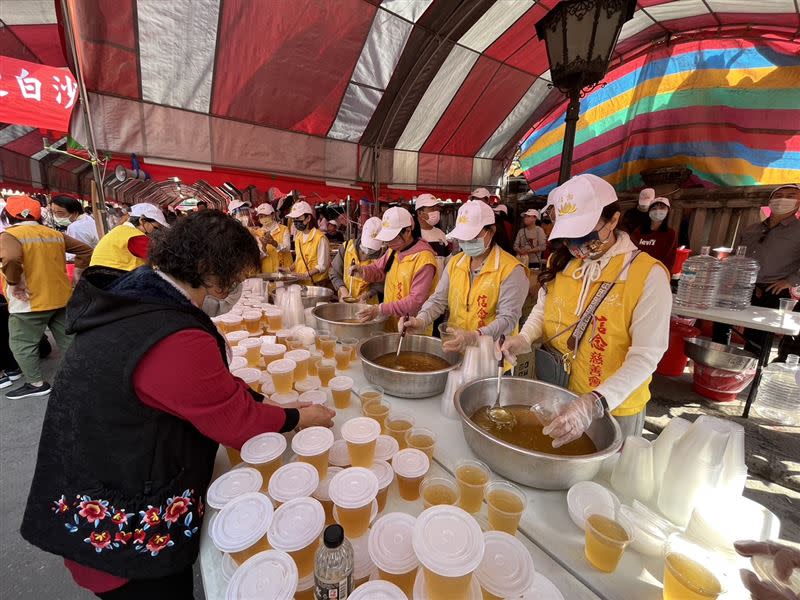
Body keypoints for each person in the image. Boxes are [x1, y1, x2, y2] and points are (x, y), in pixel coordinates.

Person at [20, 210, 335, 599]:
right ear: (206, 267)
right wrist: (300, 417)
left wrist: (259, 397)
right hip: (122, 528)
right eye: (232, 279)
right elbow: (235, 422)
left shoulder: (141, 292)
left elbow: (206, 388)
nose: (233, 290)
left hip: (98, 479)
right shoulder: (170, 332)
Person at [500, 174, 671, 445]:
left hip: (613, 406)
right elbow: (543, 310)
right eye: (567, 237)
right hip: (557, 394)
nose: (575, 245)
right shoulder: (560, 261)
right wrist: (523, 338)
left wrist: (593, 402)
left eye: (584, 234)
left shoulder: (647, 275)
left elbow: (646, 356)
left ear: (614, 220)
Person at [0, 195, 93, 399]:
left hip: (29, 301)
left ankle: (36, 384)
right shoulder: (53, 233)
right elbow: (85, 251)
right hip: (60, 296)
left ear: (7, 215)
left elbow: (10, 258)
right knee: (68, 338)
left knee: (22, 343)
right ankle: (83, 374)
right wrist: (78, 272)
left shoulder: (9, 236)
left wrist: (15, 283)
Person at [403, 200, 527, 351]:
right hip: (456, 349)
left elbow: (508, 319)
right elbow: (438, 300)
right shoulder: (455, 262)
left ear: (492, 231)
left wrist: (475, 336)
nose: (467, 242)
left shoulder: (511, 269)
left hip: (492, 355)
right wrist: (421, 320)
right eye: (463, 238)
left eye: (472, 237)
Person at [724, 184, 800, 360]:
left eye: (790, 196)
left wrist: (791, 280)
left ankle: (751, 370)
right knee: (722, 322)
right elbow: (738, 254)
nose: (783, 200)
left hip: (772, 289)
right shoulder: (752, 228)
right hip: (742, 286)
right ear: (770, 201)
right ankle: (720, 359)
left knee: (757, 336)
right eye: (779, 195)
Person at [354, 207, 438, 332]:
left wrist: (380, 309)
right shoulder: (393, 250)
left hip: (411, 328)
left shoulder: (424, 260)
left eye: (392, 237)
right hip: (390, 322)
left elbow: (415, 302)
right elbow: (378, 269)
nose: (388, 243)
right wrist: (362, 271)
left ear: (408, 231)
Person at [90, 203, 168, 273]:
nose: (156, 232)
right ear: (142, 221)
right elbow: (162, 260)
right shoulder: (135, 236)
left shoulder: (120, 230)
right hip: (111, 281)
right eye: (156, 228)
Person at [330, 216, 385, 304]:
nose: (367, 252)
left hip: (368, 304)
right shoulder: (346, 247)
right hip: (344, 301)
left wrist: (367, 295)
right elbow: (334, 273)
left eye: (372, 249)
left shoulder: (381, 255)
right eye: (366, 247)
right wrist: (343, 291)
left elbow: (380, 283)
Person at [285, 200, 331, 287]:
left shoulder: (320, 238)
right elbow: (299, 259)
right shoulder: (298, 237)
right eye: (294, 219)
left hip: (316, 283)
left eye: (298, 218)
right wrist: (288, 269)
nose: (295, 222)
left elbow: (322, 266)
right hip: (301, 282)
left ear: (308, 218)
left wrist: (306, 275)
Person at [630, 196, 677, 271]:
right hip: (636, 270)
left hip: (656, 272)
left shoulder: (670, 233)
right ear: (649, 211)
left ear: (668, 211)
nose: (658, 211)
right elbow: (630, 251)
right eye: (654, 208)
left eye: (662, 208)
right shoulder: (639, 231)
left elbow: (670, 259)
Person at [253, 203, 292, 273]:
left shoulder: (283, 229)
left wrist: (274, 243)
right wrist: (264, 247)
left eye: (266, 216)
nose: (264, 219)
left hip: (284, 269)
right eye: (261, 216)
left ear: (273, 215)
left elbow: (287, 248)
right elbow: (258, 257)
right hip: (267, 271)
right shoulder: (257, 233)